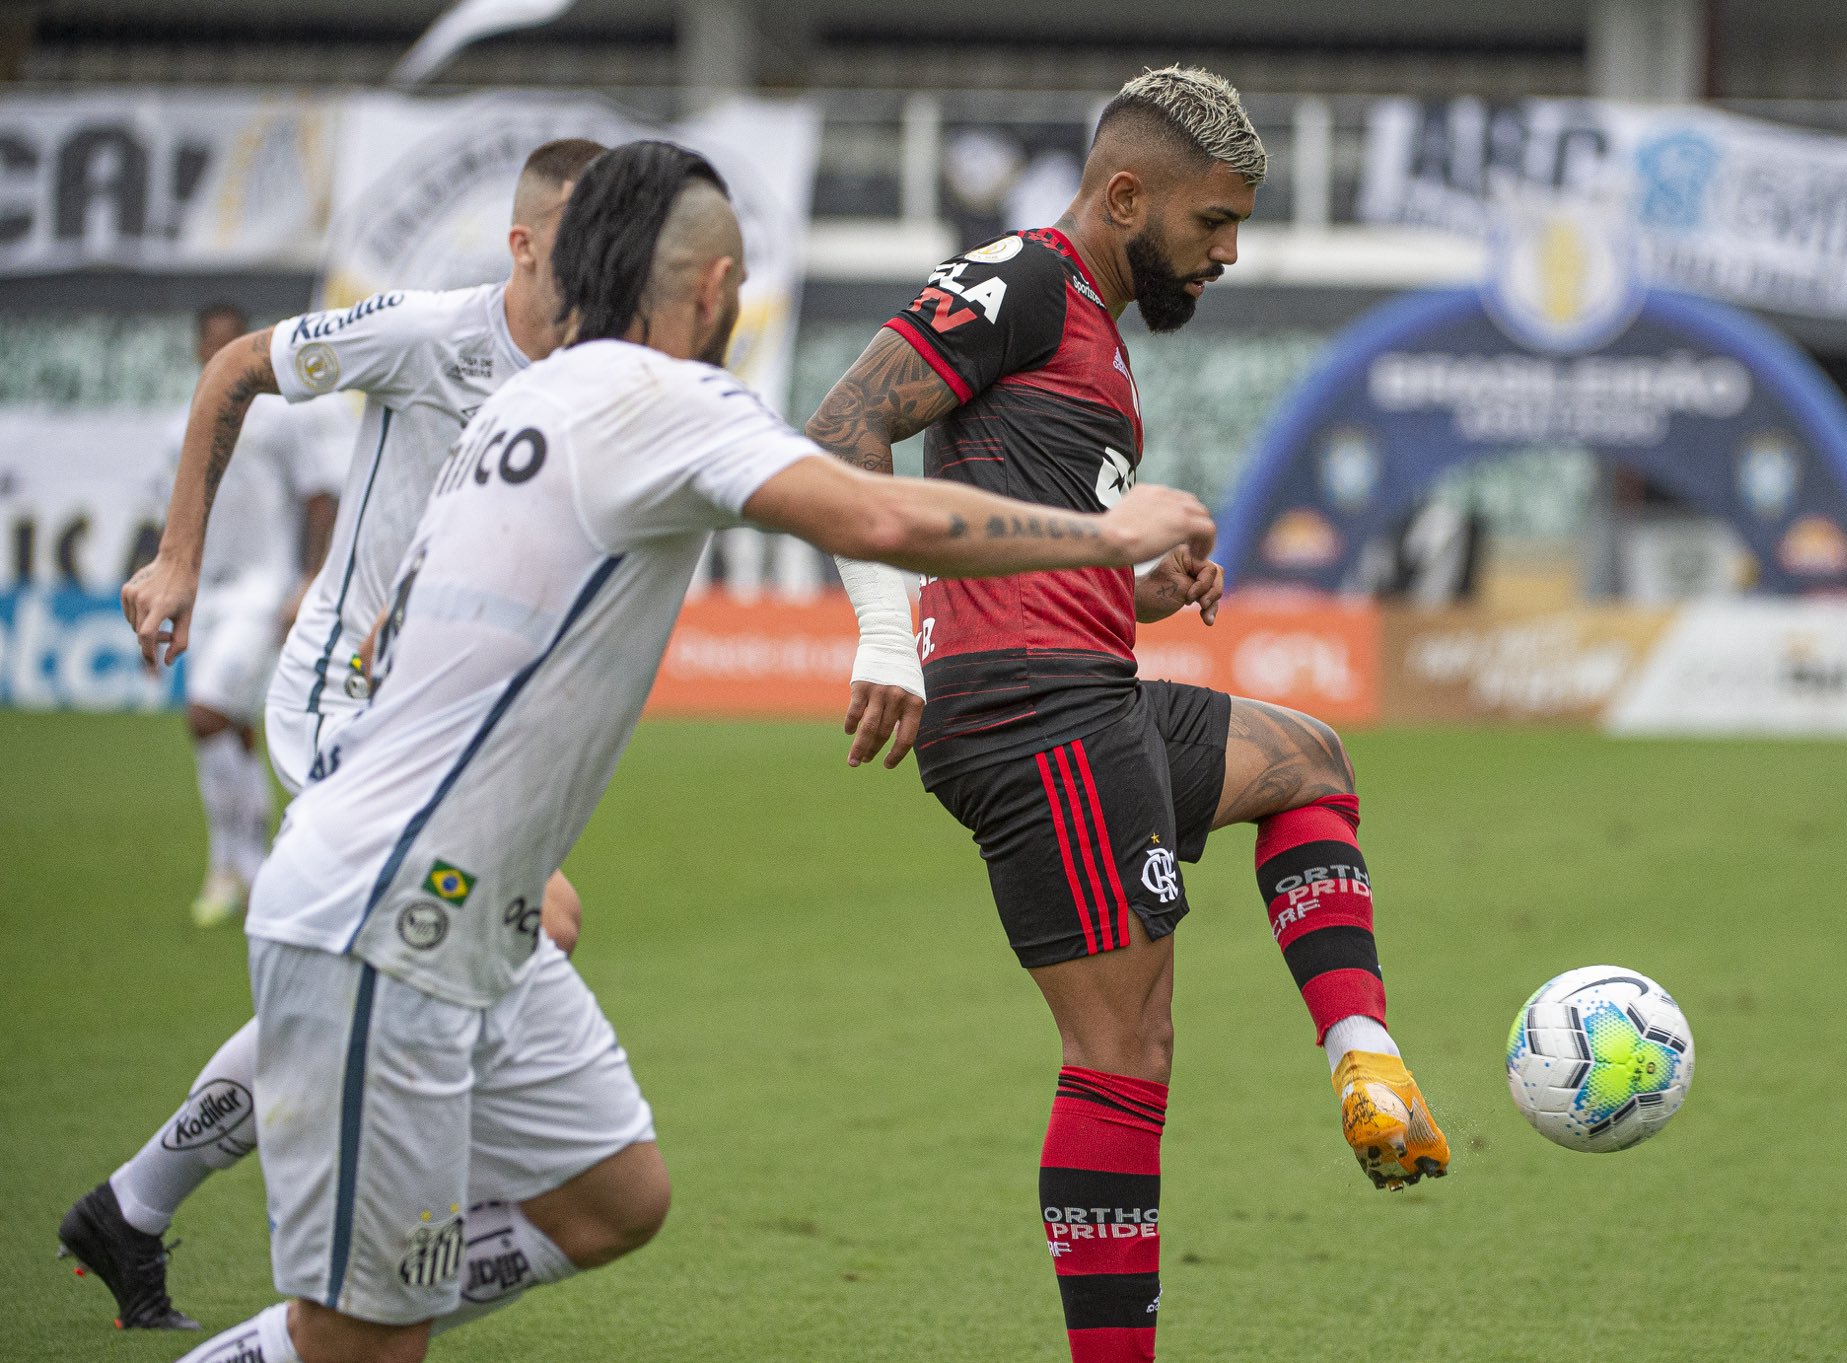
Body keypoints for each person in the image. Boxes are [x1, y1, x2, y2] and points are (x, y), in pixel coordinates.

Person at [133, 138, 1214, 1363]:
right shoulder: (665, 403)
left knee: (614, 1197)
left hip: (445, 892)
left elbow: (390, 634)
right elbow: (869, 506)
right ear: (709, 294)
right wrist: (1100, 534)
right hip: (388, 918)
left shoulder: (527, 400)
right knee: (366, 1340)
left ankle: (360, 1302)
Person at [805, 65, 1450, 1363]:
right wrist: (888, 639)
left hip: (1081, 684)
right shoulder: (1025, 278)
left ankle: (1367, 1055)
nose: (1223, 255)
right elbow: (842, 431)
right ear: (1124, 195)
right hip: (1030, 709)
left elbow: (1029, 533)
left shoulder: (1090, 331)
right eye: (1212, 224)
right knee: (1124, 1047)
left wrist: (1129, 581)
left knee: (1310, 760)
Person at [59, 138, 609, 1334]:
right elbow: (236, 371)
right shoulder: (427, 332)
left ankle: (135, 1203)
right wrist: (180, 558)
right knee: (530, 924)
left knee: (387, 967)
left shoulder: (600, 371)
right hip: (345, 703)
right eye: (584, 236)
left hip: (455, 724)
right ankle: (388, 1250)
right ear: (523, 245)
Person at [172, 302, 353, 928]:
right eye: (211, 343)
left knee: (208, 712)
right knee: (229, 724)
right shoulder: (186, 422)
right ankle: (236, 860)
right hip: (208, 591)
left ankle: (244, 863)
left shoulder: (278, 415)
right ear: (199, 349)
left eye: (232, 342)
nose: (220, 354)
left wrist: (308, 580)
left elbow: (320, 496)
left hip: (262, 587)